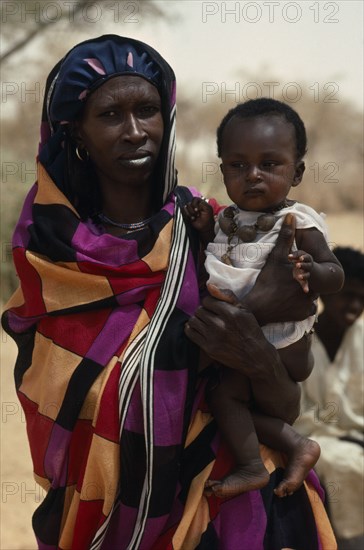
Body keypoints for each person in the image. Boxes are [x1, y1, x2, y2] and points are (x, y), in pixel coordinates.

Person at [1, 36, 337, 549]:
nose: (135, 131)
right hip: (104, 509)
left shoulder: (213, 232)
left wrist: (254, 354)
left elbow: (284, 402)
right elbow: (62, 407)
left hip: (234, 504)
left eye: (148, 110)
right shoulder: (51, 257)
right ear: (77, 133)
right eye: (111, 114)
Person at [184, 98, 344, 499]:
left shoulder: (300, 222)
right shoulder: (229, 219)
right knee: (230, 399)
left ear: (297, 171)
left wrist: (311, 268)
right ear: (222, 170)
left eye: (269, 165)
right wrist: (204, 229)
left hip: (283, 341)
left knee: (225, 395)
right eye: (238, 166)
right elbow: (222, 260)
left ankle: (252, 465)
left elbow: (335, 274)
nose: (252, 176)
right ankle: (297, 445)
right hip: (243, 335)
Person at [294, 246, 364, 550]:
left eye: (362, 299)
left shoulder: (361, 340)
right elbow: (295, 413)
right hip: (309, 441)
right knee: (342, 464)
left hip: (357, 438)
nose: (354, 306)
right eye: (348, 295)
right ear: (327, 294)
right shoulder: (297, 338)